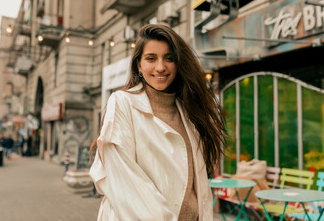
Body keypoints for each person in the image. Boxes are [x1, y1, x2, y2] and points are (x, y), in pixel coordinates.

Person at [89, 24, 227, 221]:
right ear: (139, 64)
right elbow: (126, 182)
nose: (161, 67)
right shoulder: (122, 103)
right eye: (151, 58)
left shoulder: (187, 111)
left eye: (169, 58)